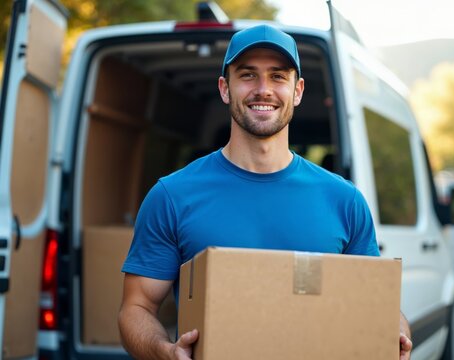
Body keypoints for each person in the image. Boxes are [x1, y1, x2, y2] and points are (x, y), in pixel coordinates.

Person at [118, 24, 413, 360]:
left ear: (297, 90)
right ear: (225, 88)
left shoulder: (344, 201)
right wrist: (164, 351)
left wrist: (397, 334)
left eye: (277, 76)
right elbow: (136, 307)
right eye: (247, 75)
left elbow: (378, 307)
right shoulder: (172, 196)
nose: (263, 89)